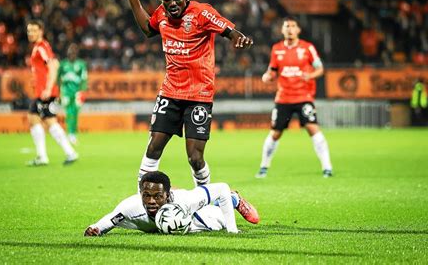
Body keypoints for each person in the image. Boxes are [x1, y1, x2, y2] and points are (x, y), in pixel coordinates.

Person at [118, 0, 254, 186]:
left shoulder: (201, 13)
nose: (172, 3)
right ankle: (143, 201)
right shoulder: (161, 14)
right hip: (170, 93)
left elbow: (228, 29)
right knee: (153, 148)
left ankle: (206, 200)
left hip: (199, 95)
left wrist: (237, 37)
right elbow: (147, 29)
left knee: (195, 158)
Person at [255, 16, 333, 179]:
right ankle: (263, 166)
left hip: (304, 96)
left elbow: (320, 69)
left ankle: (327, 167)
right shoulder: (276, 49)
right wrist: (267, 76)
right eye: (286, 26)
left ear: (298, 30)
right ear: (282, 30)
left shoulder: (307, 48)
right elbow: (272, 70)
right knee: (275, 133)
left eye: (293, 26)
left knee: (313, 128)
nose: (290, 29)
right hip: (283, 98)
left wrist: (310, 75)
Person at [84, 171, 259, 236]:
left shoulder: (185, 201)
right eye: (146, 195)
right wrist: (96, 228)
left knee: (216, 221)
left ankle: (235, 199)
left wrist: (232, 230)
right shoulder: (131, 207)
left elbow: (221, 187)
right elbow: (109, 220)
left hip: (191, 214)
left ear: (168, 196)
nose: (151, 201)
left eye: (158, 196)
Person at [26, 20, 78, 166]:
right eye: (29, 31)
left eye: (34, 30)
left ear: (41, 31)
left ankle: (67, 153)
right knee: (34, 118)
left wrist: (48, 88)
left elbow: (54, 65)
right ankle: (46, 156)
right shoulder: (38, 47)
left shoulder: (42, 47)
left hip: (45, 92)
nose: (31, 33)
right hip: (41, 91)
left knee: (47, 120)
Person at [58, 43, 88, 145]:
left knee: (75, 113)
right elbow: (58, 79)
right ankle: (70, 134)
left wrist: (82, 91)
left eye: (74, 52)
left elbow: (84, 79)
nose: (72, 53)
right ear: (67, 52)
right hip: (66, 92)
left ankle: (73, 134)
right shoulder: (62, 64)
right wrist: (58, 91)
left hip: (77, 93)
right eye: (70, 51)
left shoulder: (81, 64)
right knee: (69, 113)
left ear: (76, 53)